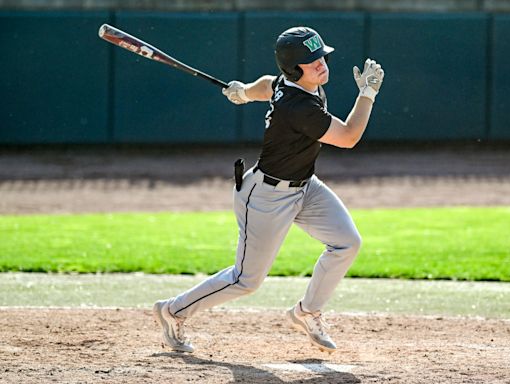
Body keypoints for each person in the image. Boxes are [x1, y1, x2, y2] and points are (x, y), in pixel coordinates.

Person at [153, 26, 384, 354]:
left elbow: (268, 84)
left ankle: (306, 312)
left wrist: (243, 92)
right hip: (266, 197)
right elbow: (348, 137)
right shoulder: (298, 107)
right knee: (245, 281)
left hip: (305, 187)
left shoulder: (295, 83)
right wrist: (368, 95)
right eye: (311, 60)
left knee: (347, 243)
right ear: (294, 68)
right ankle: (172, 311)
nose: (321, 64)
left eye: (321, 56)